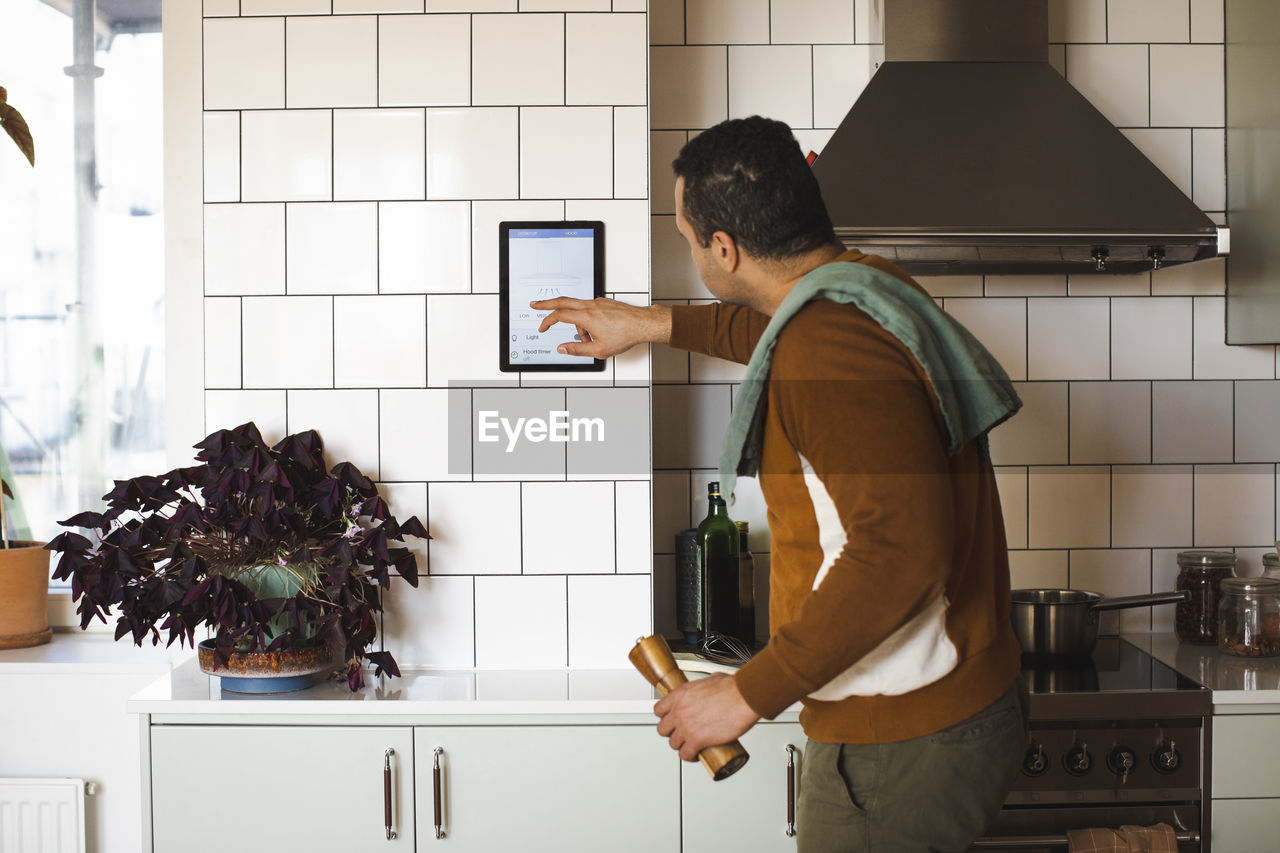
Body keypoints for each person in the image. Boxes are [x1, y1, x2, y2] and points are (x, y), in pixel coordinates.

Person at [532, 115, 1027, 853]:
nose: (692, 250)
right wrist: (646, 322)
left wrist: (744, 692)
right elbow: (768, 329)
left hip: (901, 744)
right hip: (940, 715)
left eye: (688, 238)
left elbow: (899, 551)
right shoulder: (860, 290)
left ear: (724, 249)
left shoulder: (827, 346)